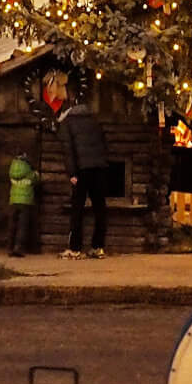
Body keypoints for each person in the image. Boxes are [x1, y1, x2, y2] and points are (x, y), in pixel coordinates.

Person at [59, 91, 111, 259]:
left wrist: (72, 173)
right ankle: (98, 246)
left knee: (77, 209)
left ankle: (75, 248)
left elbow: (68, 149)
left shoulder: (68, 122)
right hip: (99, 168)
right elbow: (103, 144)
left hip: (82, 170)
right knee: (99, 208)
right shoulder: (94, 120)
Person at [6, 149, 39, 256]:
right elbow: (37, 180)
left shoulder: (12, 169)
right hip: (25, 202)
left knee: (12, 225)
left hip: (13, 201)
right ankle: (18, 248)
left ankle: (9, 247)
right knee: (22, 226)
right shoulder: (29, 171)